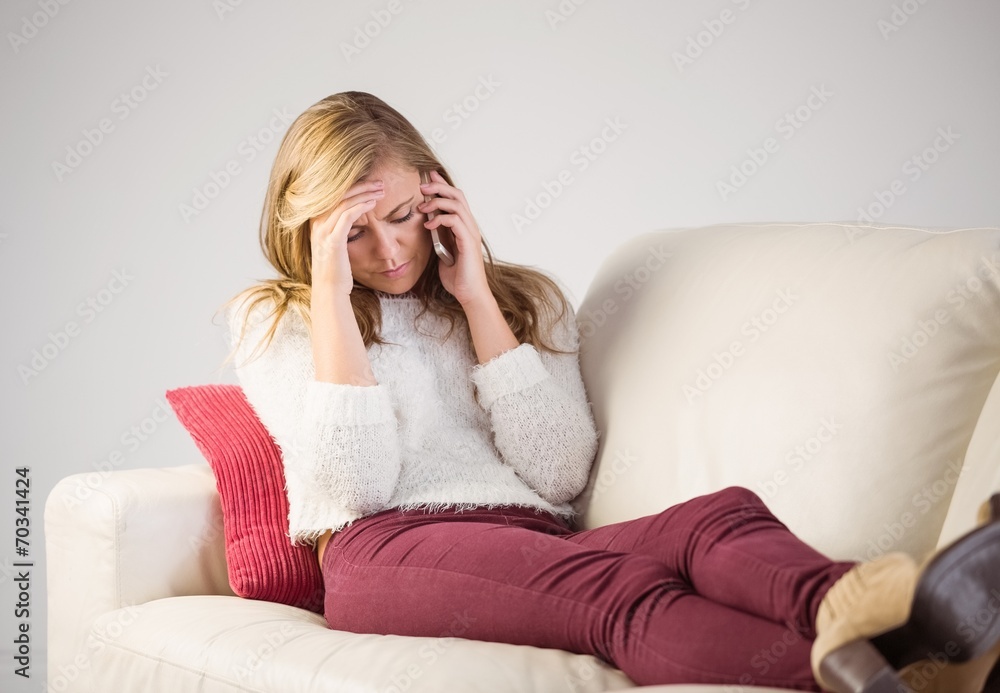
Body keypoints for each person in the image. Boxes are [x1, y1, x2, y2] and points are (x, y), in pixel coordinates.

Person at [218, 91, 1000, 692]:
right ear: (313, 230)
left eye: (399, 218)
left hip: (531, 534)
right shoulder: (278, 319)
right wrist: (326, 290)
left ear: (436, 199)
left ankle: (877, 611)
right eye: (353, 232)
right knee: (624, 594)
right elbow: (355, 485)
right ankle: (886, 680)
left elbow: (560, 473)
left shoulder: (523, 301)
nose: (388, 250)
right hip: (383, 550)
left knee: (716, 515)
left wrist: (479, 300)